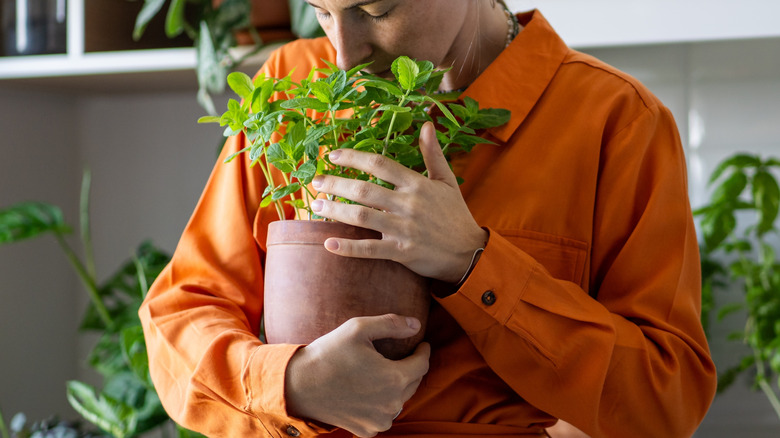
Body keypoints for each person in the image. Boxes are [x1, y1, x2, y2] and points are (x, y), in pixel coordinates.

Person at [139, 1, 718, 437]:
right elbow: (179, 318)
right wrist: (289, 381)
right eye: (321, 11)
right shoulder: (291, 89)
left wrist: (474, 263)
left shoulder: (617, 121)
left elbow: (667, 397)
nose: (344, 54)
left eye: (375, 9)